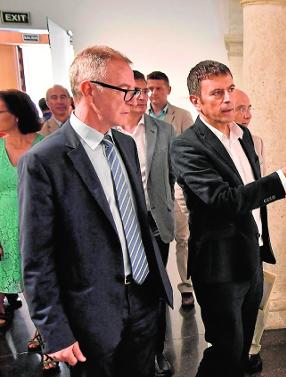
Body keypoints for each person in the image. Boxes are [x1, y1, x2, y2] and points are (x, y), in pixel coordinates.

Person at [18, 46, 173, 377]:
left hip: (144, 300)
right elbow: (36, 257)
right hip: (90, 313)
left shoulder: (125, 145)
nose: (134, 100)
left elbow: (133, 219)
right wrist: (54, 330)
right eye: (125, 90)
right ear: (89, 89)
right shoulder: (45, 160)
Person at [171, 60, 286, 377]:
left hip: (250, 257)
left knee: (245, 346)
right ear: (195, 101)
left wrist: (261, 246)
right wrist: (283, 177)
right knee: (225, 349)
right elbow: (224, 201)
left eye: (230, 89)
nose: (228, 98)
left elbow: (252, 201)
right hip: (219, 267)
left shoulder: (243, 136)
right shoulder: (186, 146)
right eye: (217, 93)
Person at [117, 70, 176, 377]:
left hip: (155, 223)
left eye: (144, 91)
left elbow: (170, 175)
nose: (141, 97)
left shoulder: (163, 130)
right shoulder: (108, 132)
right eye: (134, 91)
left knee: (157, 289)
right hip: (120, 226)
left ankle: (156, 352)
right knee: (126, 289)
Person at [0, 90, 59, 373]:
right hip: (6, 225)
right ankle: (42, 330)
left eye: (0, 111)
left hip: (40, 222)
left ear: (18, 113)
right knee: (25, 286)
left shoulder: (44, 145)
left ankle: (51, 342)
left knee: (44, 285)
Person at [230, 88, 275, 373]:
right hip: (224, 240)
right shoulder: (204, 145)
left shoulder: (255, 142)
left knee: (255, 298)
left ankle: (251, 347)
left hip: (254, 236)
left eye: (249, 108)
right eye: (240, 108)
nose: (247, 115)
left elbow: (261, 188)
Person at [147, 70, 196, 307]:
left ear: (168, 90)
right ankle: (159, 285)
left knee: (182, 237)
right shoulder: (140, 116)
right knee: (156, 239)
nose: (153, 93)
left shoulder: (182, 116)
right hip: (151, 187)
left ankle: (186, 286)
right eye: (150, 88)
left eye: (158, 88)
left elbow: (191, 150)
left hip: (176, 185)